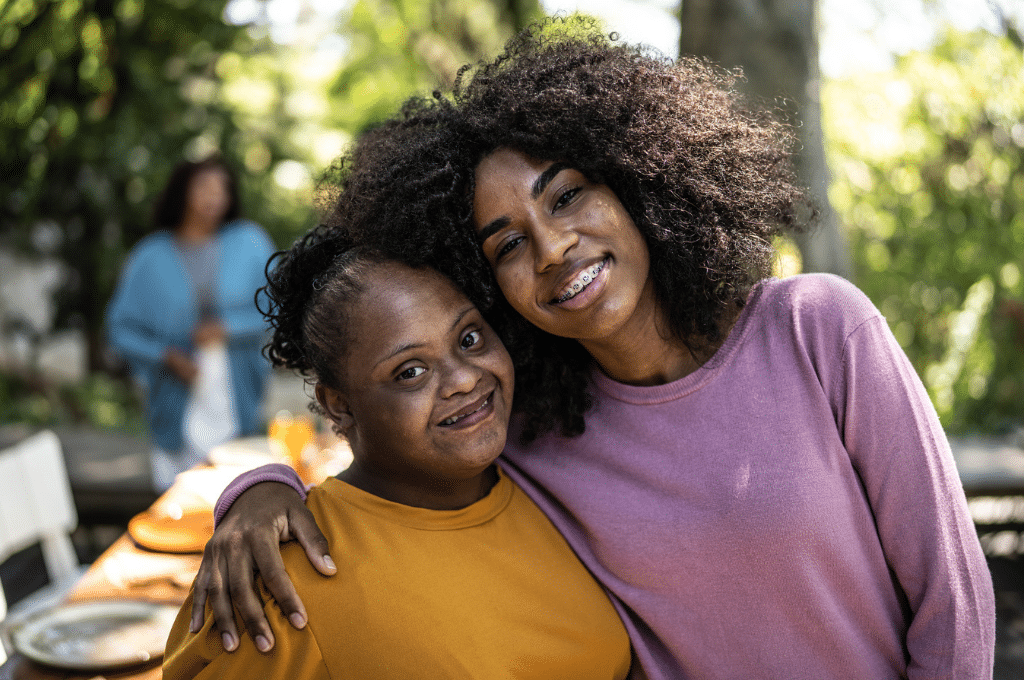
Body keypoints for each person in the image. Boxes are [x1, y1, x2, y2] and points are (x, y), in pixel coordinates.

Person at [194, 21, 995, 679]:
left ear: (636, 180)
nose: (552, 249)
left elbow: (952, 603)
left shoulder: (819, 329)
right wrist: (258, 489)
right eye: (507, 244)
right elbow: (394, 478)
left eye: (568, 195)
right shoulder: (537, 434)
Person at [163, 225, 638, 679]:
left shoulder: (541, 472)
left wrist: (261, 484)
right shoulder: (288, 581)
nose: (465, 378)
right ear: (339, 406)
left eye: (469, 338)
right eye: (410, 371)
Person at [106, 156, 275, 490]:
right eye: (204, 186)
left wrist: (229, 327)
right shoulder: (149, 257)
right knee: (178, 506)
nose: (215, 196)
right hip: (174, 401)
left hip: (237, 395)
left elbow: (278, 309)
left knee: (239, 494)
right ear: (181, 191)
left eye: (223, 188)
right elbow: (119, 329)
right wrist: (164, 355)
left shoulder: (251, 243)